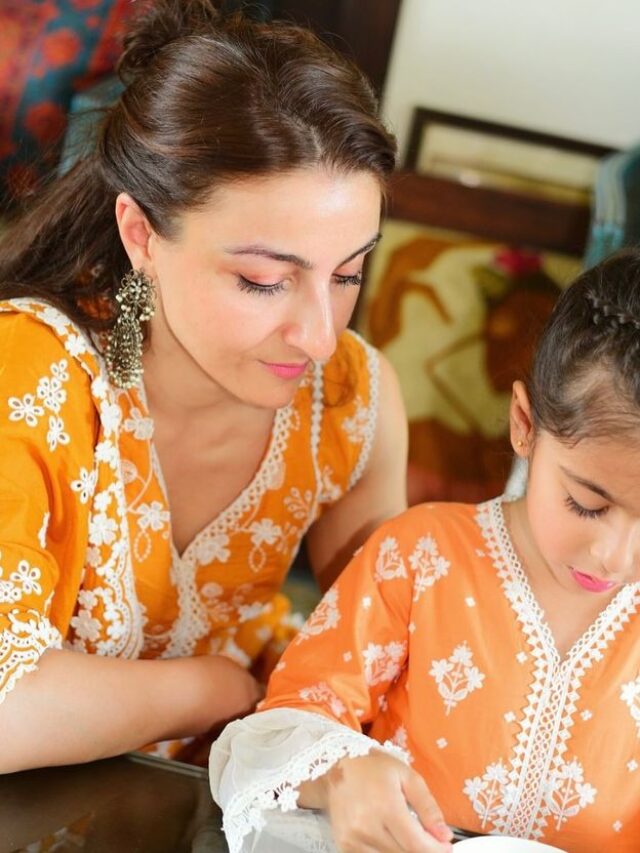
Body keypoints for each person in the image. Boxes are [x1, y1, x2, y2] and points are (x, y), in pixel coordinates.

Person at [0, 0, 408, 773]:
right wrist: (217, 686)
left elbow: (389, 661)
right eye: (263, 280)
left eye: (349, 272)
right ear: (141, 234)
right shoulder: (29, 373)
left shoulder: (352, 400)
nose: (321, 336)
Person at [210, 251, 640, 853]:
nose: (615, 557)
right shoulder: (419, 557)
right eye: (586, 504)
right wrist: (340, 775)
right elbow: (291, 719)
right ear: (524, 424)